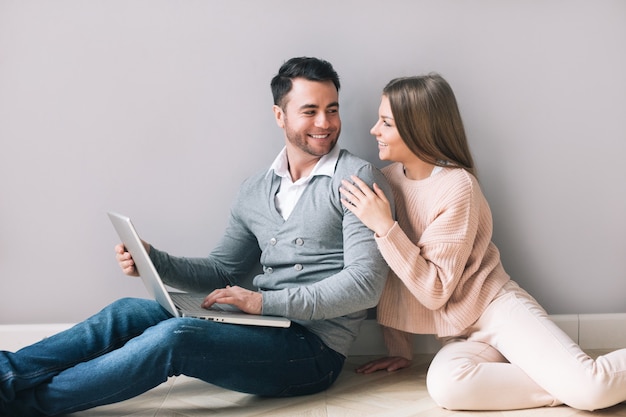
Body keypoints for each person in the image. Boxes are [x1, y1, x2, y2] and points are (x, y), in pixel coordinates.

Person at [0, 57, 393, 417]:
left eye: (332, 109)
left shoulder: (356, 179)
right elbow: (222, 269)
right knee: (127, 310)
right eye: (310, 111)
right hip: (258, 324)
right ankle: (5, 376)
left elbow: (364, 285)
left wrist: (262, 301)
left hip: (312, 351)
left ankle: (24, 405)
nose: (325, 123)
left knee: (178, 338)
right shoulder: (255, 189)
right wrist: (154, 260)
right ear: (279, 115)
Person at [339, 74, 626, 411]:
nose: (374, 130)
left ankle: (574, 383)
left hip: (497, 310)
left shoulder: (457, 186)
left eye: (385, 122)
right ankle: (562, 383)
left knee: (591, 391)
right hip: (460, 335)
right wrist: (399, 348)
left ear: (418, 129)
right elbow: (389, 279)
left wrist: (385, 227)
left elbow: (435, 290)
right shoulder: (384, 184)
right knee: (446, 387)